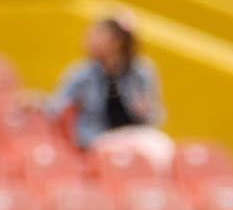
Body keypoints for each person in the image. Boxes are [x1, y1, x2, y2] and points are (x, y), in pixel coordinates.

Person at [48, 12, 172, 171]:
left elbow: (155, 117)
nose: (89, 40)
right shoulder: (82, 75)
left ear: (116, 41)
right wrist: (36, 101)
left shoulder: (141, 73)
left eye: (97, 34)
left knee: (161, 146)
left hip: (134, 134)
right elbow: (56, 105)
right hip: (99, 138)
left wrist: (145, 111)